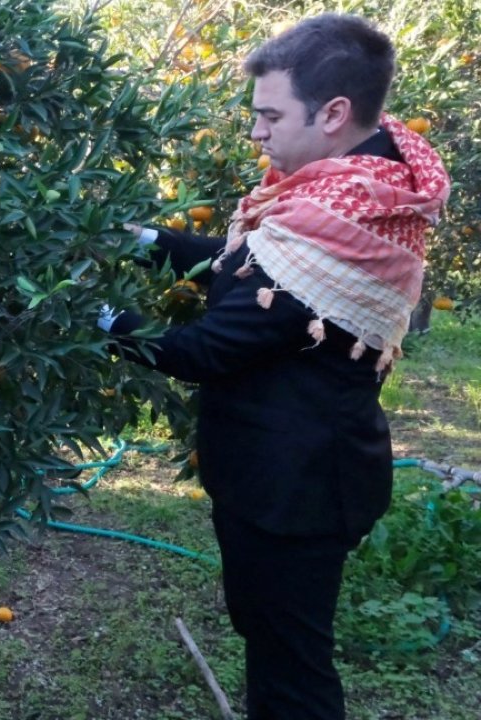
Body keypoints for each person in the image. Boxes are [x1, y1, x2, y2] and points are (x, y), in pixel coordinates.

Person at [100, 14, 450, 720]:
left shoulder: (335, 234)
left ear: (333, 114)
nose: (256, 133)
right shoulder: (349, 197)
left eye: (268, 116)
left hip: (297, 491)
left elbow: (199, 351)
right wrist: (136, 238)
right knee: (274, 641)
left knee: (292, 669)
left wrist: (101, 322)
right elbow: (243, 266)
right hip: (295, 474)